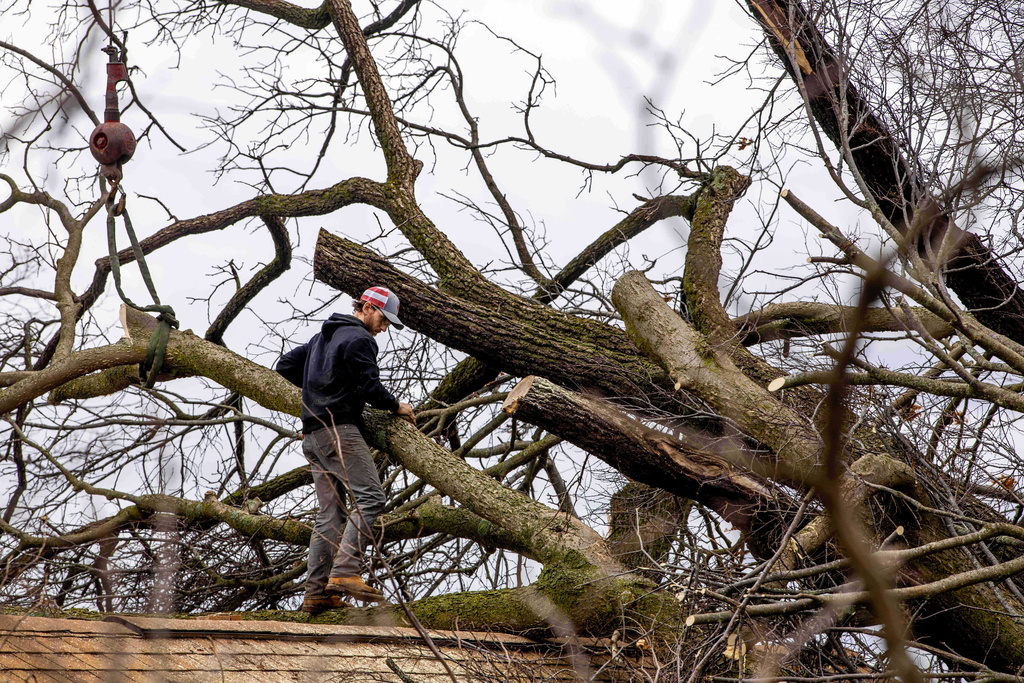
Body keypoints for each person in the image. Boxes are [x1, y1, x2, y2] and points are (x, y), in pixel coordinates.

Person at [276, 286, 416, 614]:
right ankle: (344, 573)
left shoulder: (321, 339)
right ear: (367, 307)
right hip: (339, 431)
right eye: (384, 319)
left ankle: (315, 594)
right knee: (371, 498)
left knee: (331, 513)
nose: (384, 329)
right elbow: (370, 386)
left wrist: (320, 391)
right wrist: (396, 405)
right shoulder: (360, 339)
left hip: (313, 436)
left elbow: (285, 367)